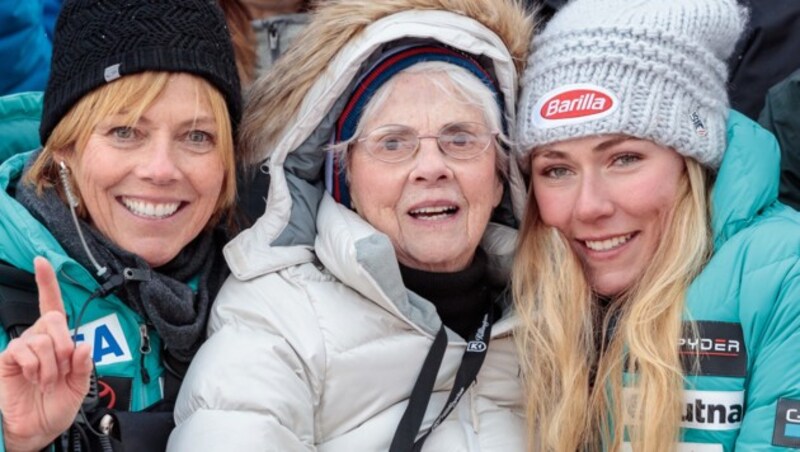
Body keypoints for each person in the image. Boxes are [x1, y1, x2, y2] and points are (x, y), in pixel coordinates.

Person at [169, 0, 533, 450]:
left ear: (501, 177)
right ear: (346, 178)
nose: (432, 167)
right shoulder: (277, 316)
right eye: (393, 143)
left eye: (460, 138)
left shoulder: (555, 314)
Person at [513, 0, 800, 450]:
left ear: (691, 159)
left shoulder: (785, 273)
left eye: (623, 159)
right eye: (557, 170)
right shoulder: (529, 296)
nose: (588, 207)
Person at [0, 0, 242, 450]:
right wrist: (16, 440)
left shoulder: (265, 293)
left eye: (196, 136)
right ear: (63, 148)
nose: (161, 169)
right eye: (125, 132)